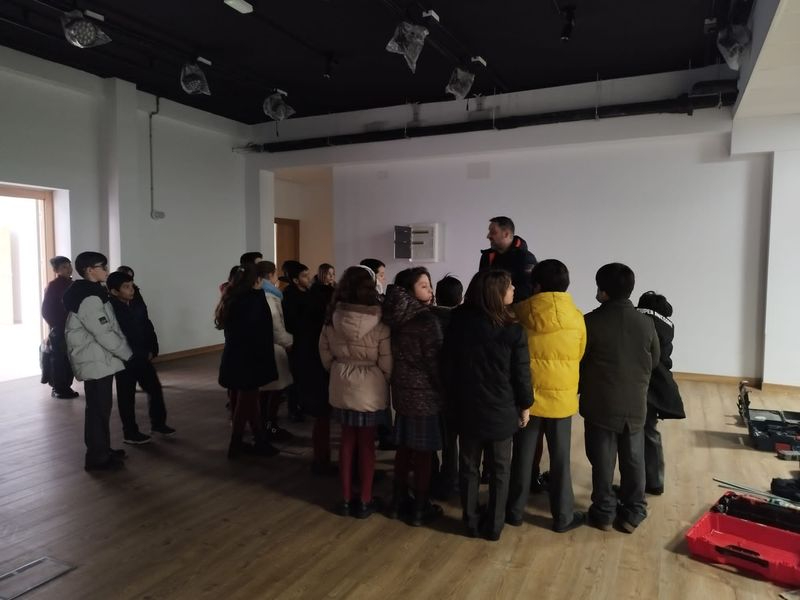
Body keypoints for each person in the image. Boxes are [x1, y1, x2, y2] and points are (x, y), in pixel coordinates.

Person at [442, 270, 532, 541]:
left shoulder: (457, 322)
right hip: (500, 409)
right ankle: (494, 525)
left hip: (466, 406)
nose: (514, 288)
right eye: (509, 286)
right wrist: (525, 405)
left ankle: (469, 522)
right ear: (496, 293)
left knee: (469, 466)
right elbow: (522, 374)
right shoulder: (513, 329)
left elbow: (446, 365)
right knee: (501, 468)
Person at [506, 259, 586, 533]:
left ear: (536, 285)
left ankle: (514, 511)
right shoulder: (576, 317)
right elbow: (579, 353)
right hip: (562, 399)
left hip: (527, 398)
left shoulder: (520, 312)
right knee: (561, 459)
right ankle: (563, 517)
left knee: (523, 456)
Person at [580, 263, 659, 533]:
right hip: (635, 403)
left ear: (603, 291)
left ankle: (603, 512)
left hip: (600, 403)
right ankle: (634, 511)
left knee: (602, 460)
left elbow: (580, 360)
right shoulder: (646, 323)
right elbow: (655, 358)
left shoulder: (590, 322)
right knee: (633, 458)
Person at [320, 266, 392, 519]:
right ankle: (365, 499)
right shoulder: (380, 320)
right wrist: (380, 378)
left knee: (346, 443)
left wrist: (339, 369)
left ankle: (347, 498)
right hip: (370, 385)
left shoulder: (333, 316)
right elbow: (387, 363)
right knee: (367, 445)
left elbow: (325, 352)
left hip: (341, 382)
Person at [382, 267, 444, 526]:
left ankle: (398, 501)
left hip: (402, 391)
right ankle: (420, 506)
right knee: (423, 452)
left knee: (405, 448)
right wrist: (444, 388)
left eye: (429, 286)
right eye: (424, 286)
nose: (430, 291)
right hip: (425, 394)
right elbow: (435, 362)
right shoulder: (426, 320)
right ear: (409, 290)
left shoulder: (392, 316)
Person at [62, 252, 132, 471]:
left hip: (98, 359)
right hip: (95, 360)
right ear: (89, 270)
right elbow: (103, 332)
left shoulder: (91, 292)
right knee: (98, 410)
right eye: (102, 266)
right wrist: (127, 353)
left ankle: (102, 449)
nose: (107, 270)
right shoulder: (89, 298)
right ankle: (97, 458)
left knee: (100, 409)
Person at [216, 264, 279, 458]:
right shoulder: (252, 300)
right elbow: (259, 330)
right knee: (247, 401)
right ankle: (236, 444)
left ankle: (258, 440)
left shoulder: (232, 297)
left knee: (250, 402)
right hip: (250, 358)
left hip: (237, 357)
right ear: (256, 280)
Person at [107, 271, 175, 445]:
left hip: (142, 356)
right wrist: (131, 354)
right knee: (126, 397)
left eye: (131, 285)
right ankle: (130, 432)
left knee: (155, 389)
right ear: (114, 291)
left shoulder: (137, 301)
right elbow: (117, 335)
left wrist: (153, 347)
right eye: (126, 287)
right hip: (125, 359)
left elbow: (146, 324)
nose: (131, 290)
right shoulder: (110, 308)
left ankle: (158, 424)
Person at [282, 261, 334, 474]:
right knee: (320, 412)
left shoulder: (310, 299)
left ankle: (322, 459)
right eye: (304, 276)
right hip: (309, 357)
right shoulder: (299, 300)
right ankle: (321, 461)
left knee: (321, 414)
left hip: (308, 355)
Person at [636, 291, 685, 495]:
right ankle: (655, 481)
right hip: (658, 387)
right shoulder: (667, 327)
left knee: (632, 435)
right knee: (650, 432)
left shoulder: (640, 322)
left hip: (640, 384)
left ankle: (636, 486)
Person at [431, 274, 463, 500]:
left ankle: (431, 477)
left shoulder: (426, 319)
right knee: (453, 440)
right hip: (457, 389)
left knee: (429, 436)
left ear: (435, 295)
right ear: (460, 298)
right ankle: (452, 480)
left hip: (430, 387)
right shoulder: (463, 321)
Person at [257, 261, 294, 442]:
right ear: (271, 274)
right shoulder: (269, 297)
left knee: (266, 390)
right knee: (273, 391)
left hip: (262, 347)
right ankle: (269, 426)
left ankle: (265, 424)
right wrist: (289, 342)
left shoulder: (257, 293)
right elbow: (276, 326)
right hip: (273, 349)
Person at [41, 256, 79, 398]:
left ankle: (65, 387)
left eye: (69, 265)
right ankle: (59, 389)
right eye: (64, 267)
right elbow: (46, 310)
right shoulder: (54, 285)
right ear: (56, 270)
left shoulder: (72, 284)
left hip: (71, 328)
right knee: (60, 359)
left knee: (68, 358)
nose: (68, 268)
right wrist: (56, 324)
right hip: (60, 329)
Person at [478, 216, 538, 303]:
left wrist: (499, 297)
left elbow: (528, 290)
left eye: (493, 232)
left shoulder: (526, 258)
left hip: (516, 312)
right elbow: (480, 285)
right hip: (489, 311)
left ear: (506, 234)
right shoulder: (487, 256)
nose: (488, 236)